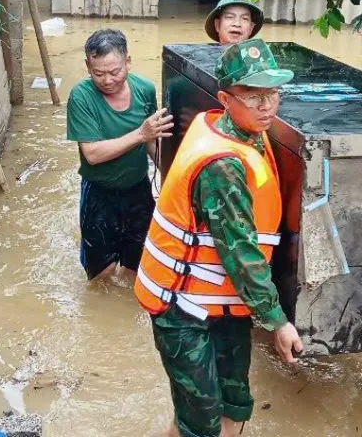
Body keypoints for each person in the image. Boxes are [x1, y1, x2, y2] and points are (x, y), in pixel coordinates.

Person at [134, 38, 302, 437]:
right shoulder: (223, 166)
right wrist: (277, 322)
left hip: (223, 304)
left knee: (235, 405)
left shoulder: (242, 130)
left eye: (272, 94)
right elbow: (241, 252)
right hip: (181, 307)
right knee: (201, 422)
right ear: (226, 98)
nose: (266, 106)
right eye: (252, 95)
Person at [66, 29, 174, 282]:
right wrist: (140, 133)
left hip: (137, 189)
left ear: (128, 61)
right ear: (87, 66)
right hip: (99, 192)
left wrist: (171, 176)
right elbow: (92, 154)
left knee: (138, 265)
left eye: (115, 71)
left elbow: (152, 141)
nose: (107, 80)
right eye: (98, 73)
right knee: (100, 273)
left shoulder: (145, 89)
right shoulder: (81, 96)